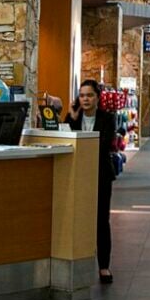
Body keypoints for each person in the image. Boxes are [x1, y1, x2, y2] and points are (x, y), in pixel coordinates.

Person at [64, 79, 117, 284]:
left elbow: (103, 145)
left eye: (89, 95)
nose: (85, 99)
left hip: (100, 175)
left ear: (97, 97)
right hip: (77, 175)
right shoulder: (73, 118)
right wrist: (71, 117)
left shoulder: (108, 118)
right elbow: (64, 140)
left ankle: (104, 266)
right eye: (82, 95)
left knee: (101, 220)